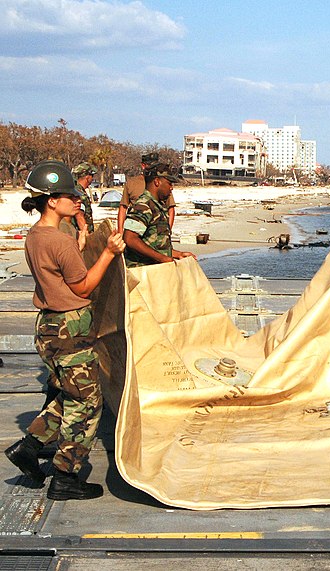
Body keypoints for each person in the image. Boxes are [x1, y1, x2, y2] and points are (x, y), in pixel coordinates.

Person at [4, 160, 125, 500]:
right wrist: (108, 253)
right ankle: (65, 476)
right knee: (87, 403)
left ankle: (29, 448)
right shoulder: (58, 240)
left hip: (49, 328)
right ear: (51, 201)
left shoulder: (37, 236)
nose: (76, 201)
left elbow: (58, 274)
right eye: (69, 196)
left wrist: (82, 244)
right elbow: (83, 287)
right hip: (70, 328)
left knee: (68, 394)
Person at [122, 163, 195, 267]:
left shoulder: (158, 206)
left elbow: (155, 244)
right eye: (169, 183)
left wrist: (178, 254)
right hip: (143, 272)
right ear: (157, 182)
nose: (171, 188)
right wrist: (162, 259)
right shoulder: (143, 206)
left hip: (156, 271)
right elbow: (130, 239)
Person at [118, 152, 176, 233]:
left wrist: (168, 231)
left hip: (157, 232)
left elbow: (171, 208)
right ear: (143, 166)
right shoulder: (132, 183)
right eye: (151, 166)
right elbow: (123, 208)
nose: (154, 168)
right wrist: (120, 231)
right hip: (137, 230)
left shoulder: (161, 184)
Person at [71, 162, 96, 234]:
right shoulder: (79, 193)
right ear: (87, 177)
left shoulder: (76, 189)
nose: (93, 178)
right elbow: (79, 216)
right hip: (79, 234)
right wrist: (87, 236)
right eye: (92, 176)